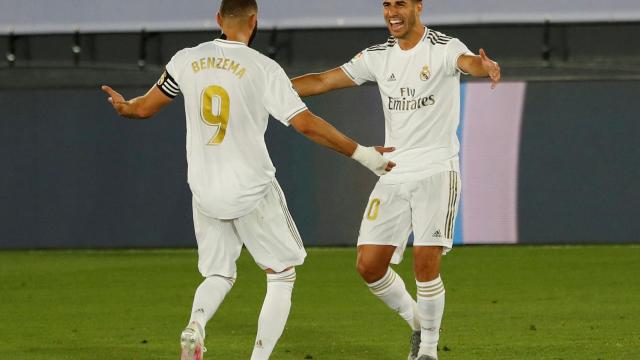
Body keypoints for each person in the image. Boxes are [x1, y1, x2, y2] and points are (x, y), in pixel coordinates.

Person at [101, 1, 395, 359]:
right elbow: (306, 124)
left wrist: (124, 106)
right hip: (251, 189)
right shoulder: (262, 67)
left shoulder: (185, 59)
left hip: (205, 190)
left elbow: (143, 108)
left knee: (219, 275)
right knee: (281, 275)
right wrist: (365, 155)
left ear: (218, 20)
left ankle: (195, 324)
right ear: (255, 21)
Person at [291, 1, 501, 359]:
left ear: (418, 6)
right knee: (369, 266)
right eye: (386, 4)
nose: (392, 11)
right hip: (394, 171)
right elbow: (324, 80)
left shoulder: (443, 47)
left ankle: (429, 352)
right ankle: (419, 321)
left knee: (425, 261)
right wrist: (270, 87)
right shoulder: (378, 56)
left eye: (400, 3)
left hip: (437, 170)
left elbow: (468, 63)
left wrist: (484, 66)